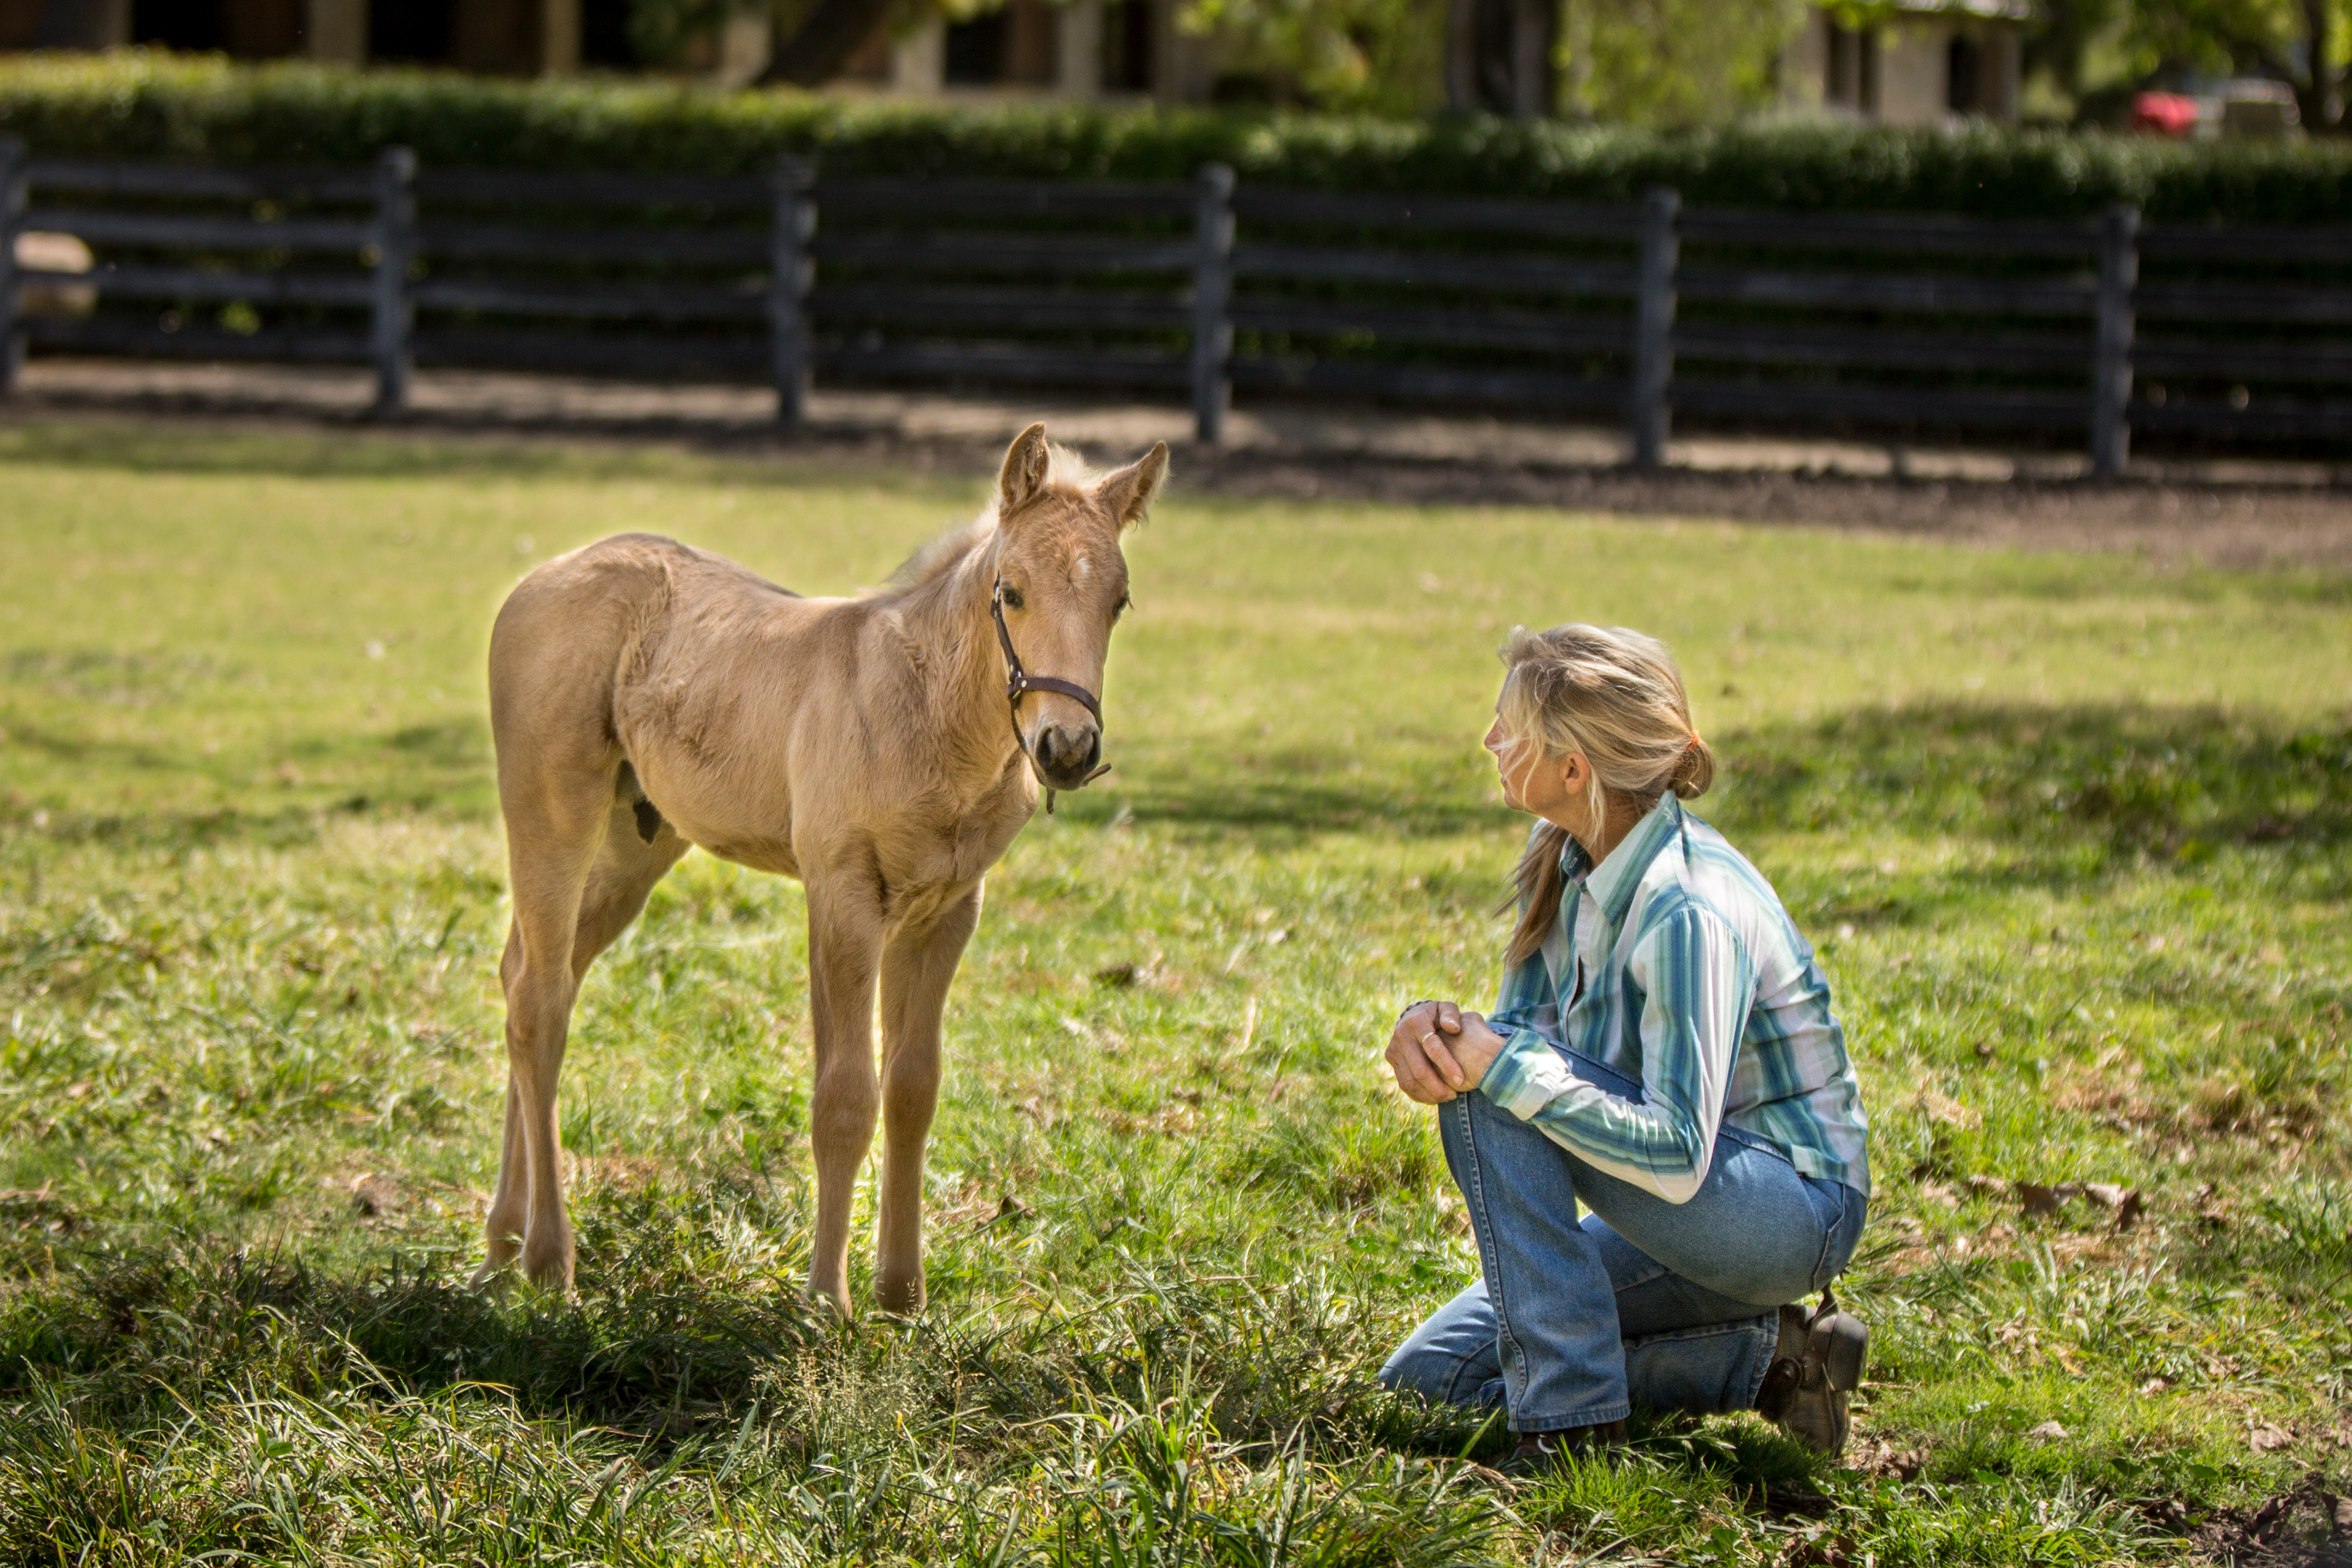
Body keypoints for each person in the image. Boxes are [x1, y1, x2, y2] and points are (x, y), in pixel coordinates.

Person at [1377, 624, 1872, 1470]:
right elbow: (1524, 1038)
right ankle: (1768, 1361)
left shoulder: (1685, 909)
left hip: (1784, 1214)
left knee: (1494, 1085)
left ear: (1574, 769)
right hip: (1685, 1213)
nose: (1489, 741)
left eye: (1510, 728)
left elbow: (1679, 1151)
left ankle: (1570, 1426)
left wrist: (1492, 1064)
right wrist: (1438, 1031)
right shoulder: (1563, 851)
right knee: (1428, 1382)